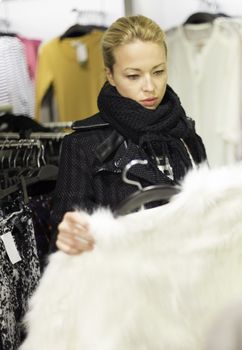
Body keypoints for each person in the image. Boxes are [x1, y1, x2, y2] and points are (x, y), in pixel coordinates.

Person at [50, 15, 207, 255]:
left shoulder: (185, 134)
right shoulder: (83, 145)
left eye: (158, 71)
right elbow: (67, 245)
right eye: (133, 76)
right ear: (110, 75)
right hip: (126, 282)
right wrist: (70, 237)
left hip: (191, 278)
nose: (150, 87)